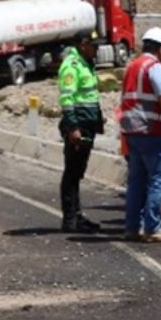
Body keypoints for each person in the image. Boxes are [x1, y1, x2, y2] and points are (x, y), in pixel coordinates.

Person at [120, 27, 161, 243]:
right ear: (160, 49)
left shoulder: (131, 67)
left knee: (137, 180)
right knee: (160, 178)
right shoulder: (154, 67)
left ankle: (132, 227)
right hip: (150, 130)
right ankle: (152, 228)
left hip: (130, 131)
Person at [56, 32, 106, 232]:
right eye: (94, 46)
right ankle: (70, 219)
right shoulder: (72, 65)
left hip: (87, 124)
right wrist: (73, 128)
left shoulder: (86, 63)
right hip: (78, 126)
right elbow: (67, 100)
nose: (97, 50)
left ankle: (77, 216)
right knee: (72, 173)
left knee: (78, 172)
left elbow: (90, 95)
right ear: (83, 45)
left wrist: (98, 119)